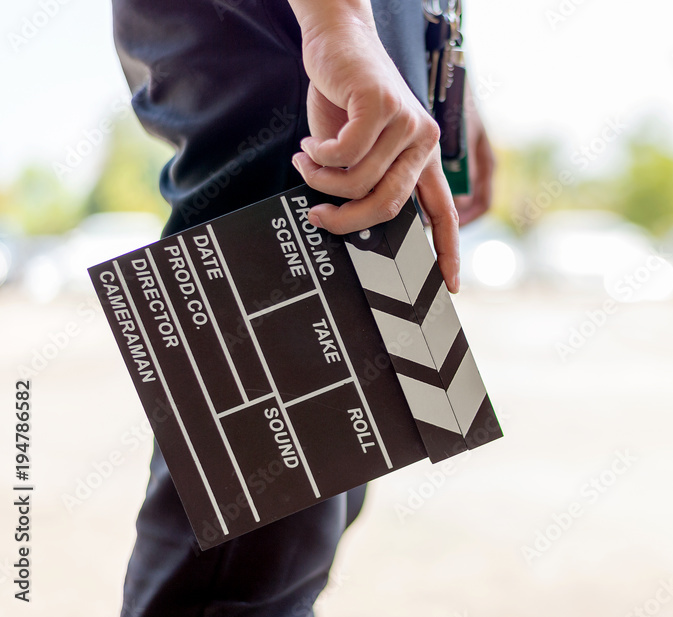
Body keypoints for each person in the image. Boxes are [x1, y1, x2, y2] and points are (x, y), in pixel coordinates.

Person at [110, 0, 494, 614]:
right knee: (246, 563)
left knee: (312, 512)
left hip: (362, 31)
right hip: (296, 35)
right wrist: (336, 23)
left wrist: (443, 68)